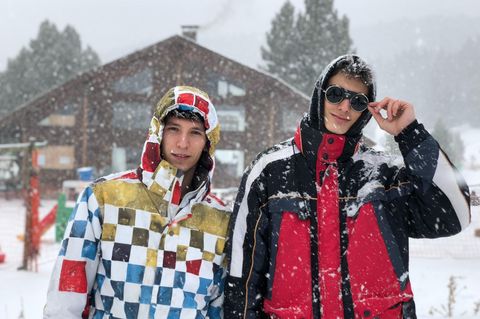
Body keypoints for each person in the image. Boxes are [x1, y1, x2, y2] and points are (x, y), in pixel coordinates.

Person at [224, 55, 471, 318]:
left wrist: (409, 133)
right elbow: (242, 278)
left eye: (358, 101)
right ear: (319, 95)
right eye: (336, 94)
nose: (344, 107)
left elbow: (455, 213)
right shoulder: (269, 171)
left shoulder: (383, 175)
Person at [44, 86, 230, 318]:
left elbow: (218, 306)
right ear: (158, 132)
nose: (183, 143)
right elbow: (68, 289)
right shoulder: (105, 197)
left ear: (208, 142)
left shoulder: (222, 219)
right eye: (174, 129)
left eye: (195, 133)